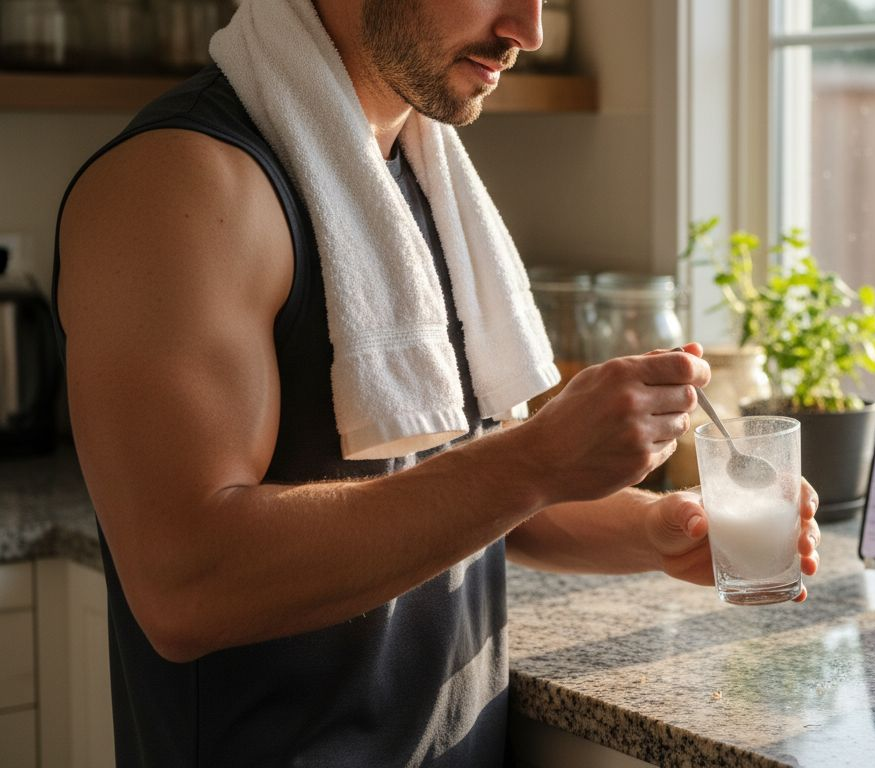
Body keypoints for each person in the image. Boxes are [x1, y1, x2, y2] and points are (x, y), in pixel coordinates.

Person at [52, 0, 821, 765]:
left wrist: (657, 531)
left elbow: (452, 488)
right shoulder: (178, 181)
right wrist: (540, 456)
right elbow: (186, 584)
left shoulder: (408, 171)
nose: (530, 30)